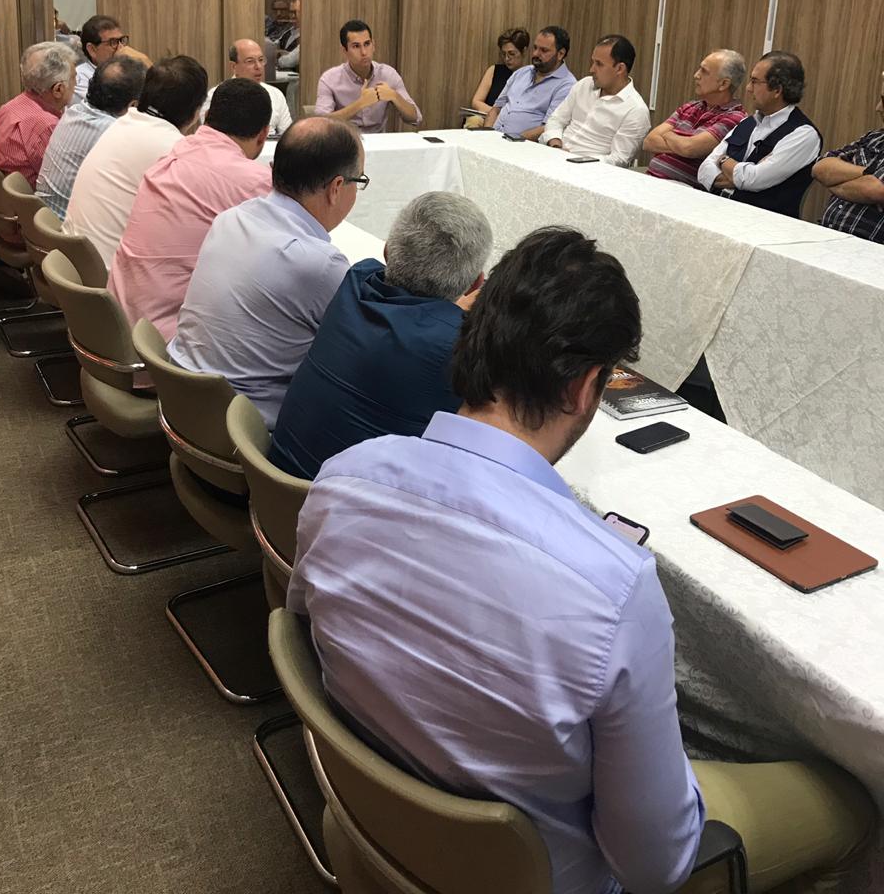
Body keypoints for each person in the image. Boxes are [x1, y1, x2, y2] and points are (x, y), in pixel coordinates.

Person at [288, 226, 875, 894]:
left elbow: (306, 628)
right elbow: (655, 865)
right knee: (853, 801)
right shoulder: (614, 588)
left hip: (372, 827)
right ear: (587, 386)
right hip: (537, 876)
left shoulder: (342, 477)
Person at [270, 191, 493, 479]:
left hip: (274, 481)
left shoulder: (356, 280)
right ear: (475, 284)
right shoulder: (456, 346)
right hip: (339, 502)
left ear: (387, 251)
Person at [168, 118, 363, 429]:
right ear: (336, 188)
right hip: (246, 431)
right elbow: (358, 355)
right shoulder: (319, 263)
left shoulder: (231, 218)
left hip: (183, 403)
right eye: (359, 181)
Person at [109, 79, 274, 339]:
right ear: (264, 134)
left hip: (117, 321)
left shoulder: (175, 152)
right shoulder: (255, 181)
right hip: (162, 344)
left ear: (205, 117)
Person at [65, 55, 207, 266]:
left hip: (73, 264)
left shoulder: (122, 123)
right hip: (107, 274)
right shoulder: (174, 150)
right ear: (197, 113)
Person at [697, 51, 822, 217]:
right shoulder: (747, 123)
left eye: (755, 82)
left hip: (763, 223)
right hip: (720, 211)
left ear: (777, 90)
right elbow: (704, 169)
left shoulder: (803, 134)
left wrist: (723, 160)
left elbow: (753, 180)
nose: (748, 88)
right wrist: (738, 178)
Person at [35, 56, 146, 220]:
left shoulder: (73, 112)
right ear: (133, 106)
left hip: (46, 222)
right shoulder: (115, 133)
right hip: (69, 229)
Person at [541, 35, 651, 165]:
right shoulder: (585, 84)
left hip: (589, 169)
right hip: (554, 155)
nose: (591, 69)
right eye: (593, 62)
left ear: (620, 69)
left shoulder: (636, 110)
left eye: (599, 64)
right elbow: (556, 119)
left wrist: (575, 160)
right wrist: (556, 145)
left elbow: (618, 159)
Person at [645, 50, 748, 186]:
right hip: (650, 178)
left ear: (723, 84)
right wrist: (682, 144)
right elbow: (649, 142)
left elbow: (690, 149)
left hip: (682, 188)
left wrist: (668, 134)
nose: (696, 75)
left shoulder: (735, 117)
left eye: (704, 71)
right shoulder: (690, 106)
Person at [0, 41, 76, 189]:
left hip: (7, 195)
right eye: (74, 78)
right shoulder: (46, 124)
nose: (76, 84)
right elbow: (65, 183)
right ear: (58, 89)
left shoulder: (9, 108)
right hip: (34, 199)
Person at [812, 70, 884, 242]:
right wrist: (867, 172)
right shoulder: (874, 138)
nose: (878, 108)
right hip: (826, 236)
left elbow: (876, 190)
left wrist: (833, 182)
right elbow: (820, 167)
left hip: (867, 249)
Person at [315, 20, 421, 133]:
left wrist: (394, 96)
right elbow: (319, 123)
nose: (364, 52)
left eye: (367, 44)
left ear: (373, 45)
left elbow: (415, 117)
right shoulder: (329, 79)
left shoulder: (388, 74)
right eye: (356, 46)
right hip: (345, 140)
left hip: (379, 141)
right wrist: (360, 103)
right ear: (344, 50)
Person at [483, 25, 575, 140]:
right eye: (535, 48)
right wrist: (486, 135)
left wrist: (513, 139)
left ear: (560, 54)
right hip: (493, 139)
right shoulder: (521, 73)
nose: (536, 54)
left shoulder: (567, 85)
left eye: (544, 50)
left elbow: (550, 127)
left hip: (522, 145)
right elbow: (496, 109)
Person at [199, 38, 292, 134]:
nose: (258, 66)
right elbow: (212, 136)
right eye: (250, 61)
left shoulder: (276, 94)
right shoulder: (216, 96)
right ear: (233, 66)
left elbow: (287, 135)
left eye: (261, 60)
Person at [74, 15, 151, 102]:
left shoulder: (128, 70)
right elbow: (108, 106)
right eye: (113, 42)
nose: (121, 48)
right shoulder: (78, 77)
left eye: (121, 40)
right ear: (92, 49)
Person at [467, 27, 530, 114]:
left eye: (512, 54)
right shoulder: (494, 70)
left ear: (524, 51)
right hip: (488, 116)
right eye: (503, 54)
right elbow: (476, 102)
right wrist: (496, 114)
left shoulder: (530, 76)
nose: (507, 58)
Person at [265, 0, 300, 71]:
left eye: (283, 10)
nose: (279, 14)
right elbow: (269, 49)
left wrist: (278, 56)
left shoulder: (305, 34)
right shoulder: (288, 32)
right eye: (275, 10)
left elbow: (289, 61)